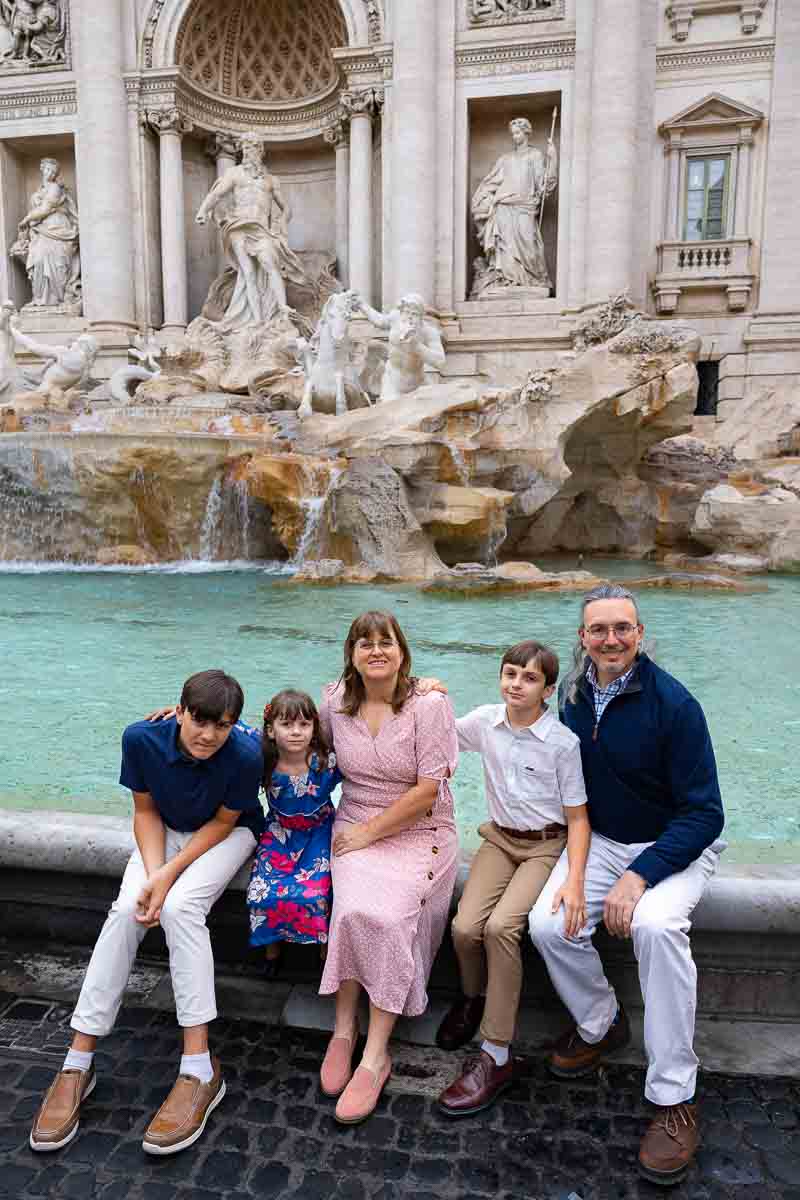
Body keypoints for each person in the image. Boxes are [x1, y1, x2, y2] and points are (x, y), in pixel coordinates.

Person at [529, 584, 725, 1187]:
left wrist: (641, 876)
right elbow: (518, 726)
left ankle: (674, 1097)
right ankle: (602, 1022)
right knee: (545, 924)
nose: (610, 639)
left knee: (657, 926)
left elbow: (705, 814)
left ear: (639, 634)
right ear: (583, 637)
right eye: (598, 630)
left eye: (622, 628)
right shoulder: (570, 695)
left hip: (673, 844)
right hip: (604, 843)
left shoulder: (675, 705)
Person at [29, 670, 264, 1156]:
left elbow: (225, 823)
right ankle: (77, 1060)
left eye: (221, 726)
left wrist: (166, 878)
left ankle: (199, 1068)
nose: (207, 735)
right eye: (198, 721)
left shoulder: (244, 754)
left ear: (233, 726)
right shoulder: (140, 738)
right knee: (124, 911)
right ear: (178, 711)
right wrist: (152, 875)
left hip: (225, 836)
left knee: (180, 909)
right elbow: (145, 811)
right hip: (163, 834)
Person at [435, 639, 590, 1116]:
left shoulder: (563, 743)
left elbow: (579, 819)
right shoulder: (485, 722)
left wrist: (576, 881)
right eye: (509, 674)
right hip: (500, 840)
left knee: (503, 927)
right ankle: (471, 998)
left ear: (546, 689)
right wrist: (429, 692)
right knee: (464, 927)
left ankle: (496, 1050)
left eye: (529, 678)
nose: (516, 684)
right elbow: (438, 733)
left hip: (545, 845)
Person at [317, 611, 459, 1124]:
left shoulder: (430, 705)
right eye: (364, 643)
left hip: (421, 833)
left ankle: (376, 1054)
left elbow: (427, 793)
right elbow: (292, 740)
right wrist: (194, 717)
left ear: (402, 651)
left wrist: (368, 835)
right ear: (351, 654)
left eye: (386, 642)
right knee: (353, 908)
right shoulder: (334, 700)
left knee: (389, 915)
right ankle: (342, 1030)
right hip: (355, 821)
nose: (376, 651)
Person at [246, 689, 341, 976]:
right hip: (279, 832)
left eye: (304, 724)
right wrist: (173, 714)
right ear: (270, 730)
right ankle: (272, 951)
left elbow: (365, 771)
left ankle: (325, 952)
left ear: (314, 728)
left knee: (318, 892)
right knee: (261, 891)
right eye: (286, 725)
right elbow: (228, 727)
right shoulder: (262, 760)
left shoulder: (326, 762)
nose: (296, 732)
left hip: (319, 831)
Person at [195, 133, 307, 329]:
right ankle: (257, 320)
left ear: (260, 151)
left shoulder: (271, 180)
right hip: (239, 226)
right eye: (245, 148)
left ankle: (283, 310)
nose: (247, 152)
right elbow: (217, 194)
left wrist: (279, 225)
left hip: (262, 228)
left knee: (270, 264)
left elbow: (286, 208)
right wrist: (203, 210)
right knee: (248, 273)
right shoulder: (234, 174)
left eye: (252, 148)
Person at [471, 116, 557, 296]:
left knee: (528, 242)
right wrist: (482, 199)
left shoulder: (535, 155)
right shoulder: (505, 159)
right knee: (505, 247)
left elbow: (543, 185)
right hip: (503, 205)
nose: (515, 137)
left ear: (526, 133)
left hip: (525, 206)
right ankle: (507, 279)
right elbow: (491, 182)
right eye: (513, 134)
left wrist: (553, 159)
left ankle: (531, 279)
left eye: (517, 133)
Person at [11, 156, 81, 308]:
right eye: (47, 169)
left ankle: (57, 299)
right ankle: (40, 299)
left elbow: (46, 209)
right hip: (41, 230)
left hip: (57, 228)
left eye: (53, 171)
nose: (50, 173)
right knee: (38, 260)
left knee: (57, 262)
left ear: (56, 174)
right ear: (42, 171)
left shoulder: (55, 189)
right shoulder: (39, 191)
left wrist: (26, 219)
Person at [354, 293, 446, 402]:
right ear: (401, 312)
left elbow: (440, 362)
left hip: (417, 385)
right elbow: (380, 320)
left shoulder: (429, 332)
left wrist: (417, 346)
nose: (410, 317)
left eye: (414, 314)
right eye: (406, 312)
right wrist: (362, 304)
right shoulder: (395, 318)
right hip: (392, 382)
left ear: (421, 317)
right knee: (390, 413)